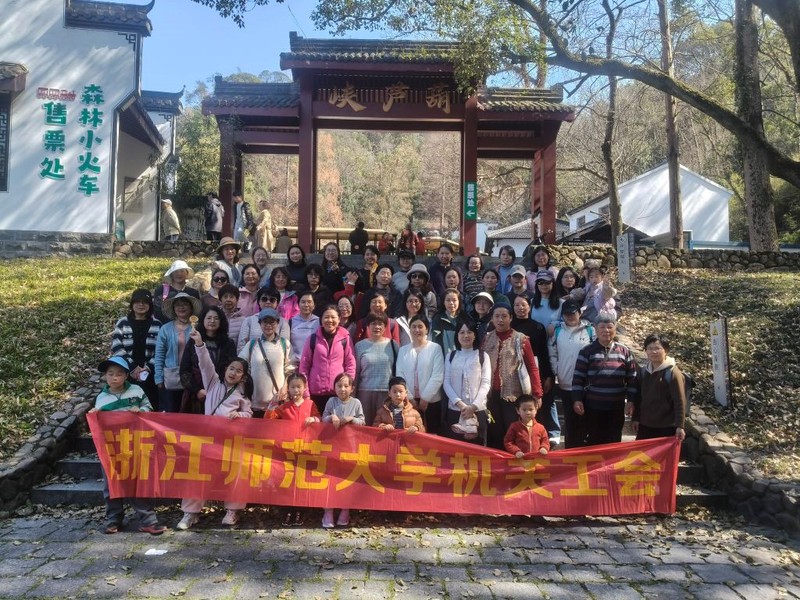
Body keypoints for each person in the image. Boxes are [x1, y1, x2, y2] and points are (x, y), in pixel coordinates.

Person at [176, 328, 253, 530]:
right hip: (208, 438)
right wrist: (199, 344)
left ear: (243, 377)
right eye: (231, 368)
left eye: (238, 371)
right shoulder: (212, 383)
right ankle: (190, 513)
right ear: (225, 369)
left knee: (235, 473)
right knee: (198, 472)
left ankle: (233, 511)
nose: (233, 372)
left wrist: (240, 416)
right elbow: (205, 364)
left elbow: (249, 414)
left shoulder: (242, 395)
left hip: (231, 441)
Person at [90, 356, 166, 535]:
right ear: (105, 376)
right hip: (112, 450)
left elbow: (148, 408)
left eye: (119, 373)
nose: (114, 377)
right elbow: (98, 426)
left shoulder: (136, 391)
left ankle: (148, 520)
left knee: (138, 481)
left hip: (135, 446)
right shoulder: (101, 398)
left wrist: (141, 410)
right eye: (110, 374)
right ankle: (113, 519)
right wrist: (94, 416)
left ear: (126, 376)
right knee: (111, 484)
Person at [482, 302, 543, 450]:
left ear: (510, 318)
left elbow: (532, 367)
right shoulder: (486, 338)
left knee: (513, 433)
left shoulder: (521, 339)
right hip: (491, 395)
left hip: (513, 396)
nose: (500, 320)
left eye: (504, 316)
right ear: (492, 319)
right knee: (494, 431)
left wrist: (537, 393)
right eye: (497, 316)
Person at [571, 312, 637, 447]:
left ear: (615, 329)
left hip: (616, 407)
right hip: (593, 406)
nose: (606, 330)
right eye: (602, 327)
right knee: (594, 442)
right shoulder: (587, 351)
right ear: (595, 329)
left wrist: (631, 401)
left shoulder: (624, 351)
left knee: (613, 442)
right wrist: (577, 399)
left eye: (610, 327)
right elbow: (578, 378)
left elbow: (632, 379)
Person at [265, 372, 320, 526]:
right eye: (293, 387)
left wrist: (314, 419)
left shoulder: (310, 404)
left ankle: (300, 511)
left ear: (305, 387)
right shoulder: (284, 407)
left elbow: (319, 418)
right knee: (287, 481)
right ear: (288, 389)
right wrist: (273, 403)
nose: (296, 390)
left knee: (301, 481)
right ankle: (287, 511)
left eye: (299, 387)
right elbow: (268, 419)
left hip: (305, 449)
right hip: (287, 451)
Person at [510, 295, 558, 446]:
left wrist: (548, 375)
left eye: (523, 305)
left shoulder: (538, 327)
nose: (520, 308)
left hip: (535, 370)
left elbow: (544, 352)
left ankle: (539, 440)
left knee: (536, 406)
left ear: (529, 307)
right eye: (517, 305)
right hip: (513, 372)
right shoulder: (509, 326)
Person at [548, 300, 596, 448]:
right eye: (567, 314)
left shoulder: (590, 330)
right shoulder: (558, 331)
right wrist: (557, 370)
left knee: (586, 419)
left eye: (573, 313)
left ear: (579, 313)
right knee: (570, 421)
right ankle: (570, 450)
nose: (570, 316)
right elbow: (552, 353)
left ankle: (586, 450)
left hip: (586, 385)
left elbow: (596, 353)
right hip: (566, 383)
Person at [321, 373, 364, 528]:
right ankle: (328, 510)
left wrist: (351, 419)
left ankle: (345, 509)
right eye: (339, 386)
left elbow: (363, 422)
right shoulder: (331, 402)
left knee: (346, 479)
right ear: (334, 387)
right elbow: (323, 419)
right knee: (330, 478)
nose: (343, 389)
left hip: (349, 447)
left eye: (346, 386)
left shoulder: (356, 403)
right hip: (331, 446)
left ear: (352, 388)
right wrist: (331, 418)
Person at [299, 305, 356, 414]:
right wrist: (305, 392)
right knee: (315, 422)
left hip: (338, 393)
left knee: (336, 423)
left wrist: (347, 387)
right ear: (321, 319)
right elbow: (304, 367)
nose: (330, 320)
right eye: (326, 317)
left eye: (333, 317)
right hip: (315, 393)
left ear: (339, 319)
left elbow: (351, 364)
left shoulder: (345, 339)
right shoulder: (312, 339)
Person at [179, 305, 236, 415]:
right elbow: (184, 370)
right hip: (195, 394)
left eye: (216, 318)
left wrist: (220, 389)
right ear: (203, 320)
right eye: (209, 318)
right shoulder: (193, 341)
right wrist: (197, 390)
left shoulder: (228, 343)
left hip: (220, 393)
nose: (212, 321)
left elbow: (231, 368)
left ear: (221, 321)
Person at [110, 288, 161, 409]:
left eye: (145, 302)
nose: (141, 305)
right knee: (128, 407)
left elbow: (160, 350)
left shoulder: (157, 324)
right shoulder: (123, 323)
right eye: (137, 301)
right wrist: (132, 367)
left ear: (150, 305)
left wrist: (147, 369)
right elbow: (116, 347)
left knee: (149, 406)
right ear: (132, 304)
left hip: (149, 374)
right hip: (126, 373)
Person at [631, 334, 687, 441]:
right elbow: (639, 398)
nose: (653, 352)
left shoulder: (673, 373)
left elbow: (680, 401)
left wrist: (680, 426)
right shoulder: (644, 371)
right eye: (650, 348)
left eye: (657, 348)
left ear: (666, 351)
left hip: (666, 427)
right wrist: (636, 418)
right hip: (645, 425)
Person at [443, 319, 491, 444]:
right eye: (462, 332)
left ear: (475, 335)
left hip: (478, 410)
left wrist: (473, 406)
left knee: (477, 449)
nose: (465, 336)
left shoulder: (483, 356)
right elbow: (446, 382)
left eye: (469, 332)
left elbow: (486, 383)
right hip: (455, 410)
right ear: (457, 335)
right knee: (455, 448)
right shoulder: (451, 356)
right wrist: (461, 405)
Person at [241, 307, 294, 418]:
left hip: (278, 402)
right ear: (260, 324)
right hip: (255, 402)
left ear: (277, 323)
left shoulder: (285, 344)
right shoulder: (252, 344)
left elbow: (291, 369)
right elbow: (241, 365)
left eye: (272, 322)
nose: (268, 325)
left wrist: (285, 387)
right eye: (265, 322)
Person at [395, 314, 444, 434]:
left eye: (420, 327)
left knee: (432, 434)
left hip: (432, 401)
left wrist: (425, 398)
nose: (417, 330)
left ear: (427, 329)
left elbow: (437, 375)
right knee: (410, 434)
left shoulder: (435, 348)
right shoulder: (403, 350)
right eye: (414, 327)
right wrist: (410, 398)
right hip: (409, 401)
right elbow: (400, 375)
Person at [154, 292, 202, 413]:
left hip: (193, 377)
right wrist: (159, 378)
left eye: (185, 304)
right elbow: (159, 355)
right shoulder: (165, 329)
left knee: (191, 413)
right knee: (172, 412)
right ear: (173, 308)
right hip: (171, 377)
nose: (181, 307)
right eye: (178, 305)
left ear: (191, 307)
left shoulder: (198, 328)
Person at [354, 311, 400, 426]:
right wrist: (352, 396)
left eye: (380, 324)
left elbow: (398, 372)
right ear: (368, 326)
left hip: (387, 394)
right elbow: (356, 373)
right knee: (364, 426)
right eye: (373, 323)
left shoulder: (393, 345)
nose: (377, 327)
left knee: (384, 427)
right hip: (365, 394)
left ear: (385, 327)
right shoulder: (359, 346)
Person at [237, 288, 290, 352]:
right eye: (264, 299)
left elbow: (285, 347)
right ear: (259, 302)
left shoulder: (283, 323)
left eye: (272, 300)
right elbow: (241, 346)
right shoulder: (249, 321)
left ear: (277, 303)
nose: (268, 302)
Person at [430, 288, 466, 358]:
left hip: (462, 357)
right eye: (448, 300)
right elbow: (436, 340)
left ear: (459, 302)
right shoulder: (438, 318)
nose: (451, 303)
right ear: (443, 302)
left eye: (454, 300)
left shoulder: (464, 318)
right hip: (443, 356)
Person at [289, 292, 319, 363]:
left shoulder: (319, 322)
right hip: (296, 363)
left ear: (314, 305)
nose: (306, 305)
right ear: (298, 304)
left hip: (315, 363)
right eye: (303, 302)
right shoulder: (291, 322)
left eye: (309, 302)